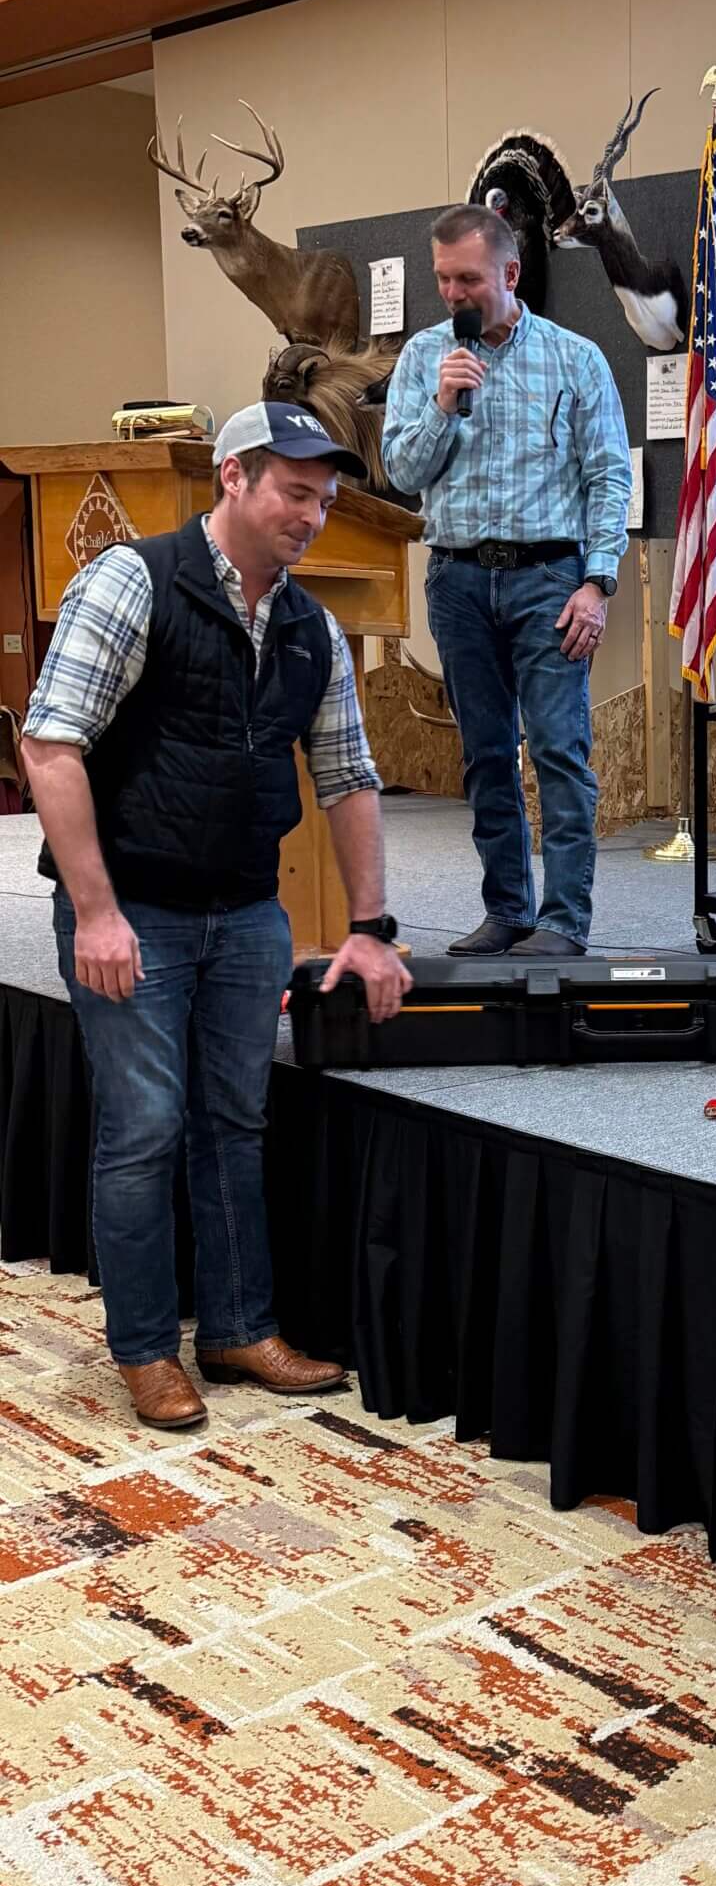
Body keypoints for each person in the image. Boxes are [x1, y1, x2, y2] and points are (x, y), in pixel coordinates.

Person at [21, 402, 413, 1431]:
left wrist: (371, 925)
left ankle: (239, 1327)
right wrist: (95, 912)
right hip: (132, 910)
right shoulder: (133, 581)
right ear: (233, 477)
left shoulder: (309, 626)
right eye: (295, 493)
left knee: (234, 1124)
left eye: (325, 500)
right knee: (145, 1128)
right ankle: (146, 1348)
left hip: (244, 914)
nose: (312, 517)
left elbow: (350, 778)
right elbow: (50, 748)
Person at [381, 205, 633, 958]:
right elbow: (402, 472)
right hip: (457, 581)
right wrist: (443, 405)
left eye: (467, 278)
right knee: (486, 755)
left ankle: (563, 920)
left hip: (550, 579)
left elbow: (609, 478)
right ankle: (508, 911)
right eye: (442, 279)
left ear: (511, 273)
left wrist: (598, 583)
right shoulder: (425, 358)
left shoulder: (575, 358)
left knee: (558, 750)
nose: (452, 293)